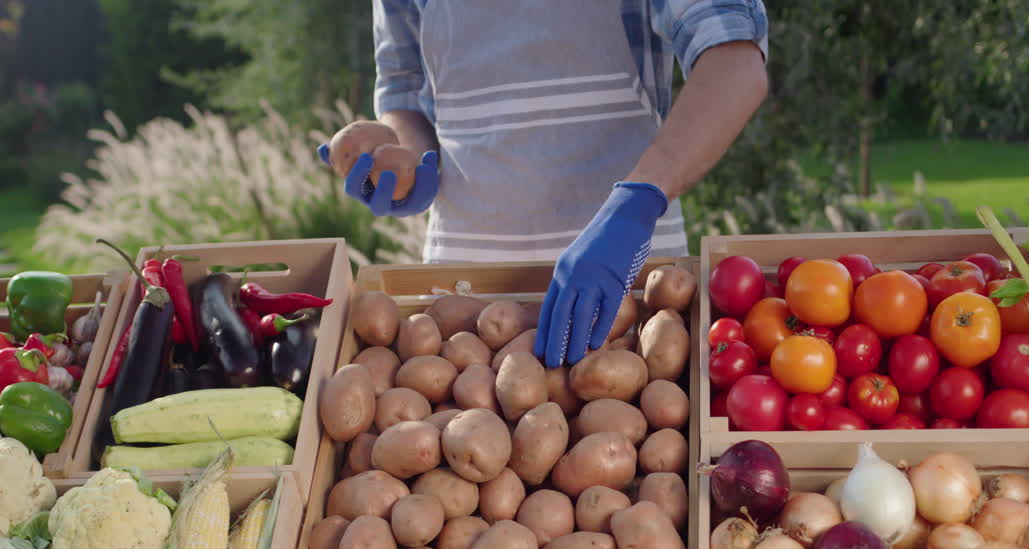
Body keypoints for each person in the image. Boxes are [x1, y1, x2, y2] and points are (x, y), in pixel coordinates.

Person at [320, 1, 769, 367]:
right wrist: (413, 163)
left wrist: (638, 203)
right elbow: (402, 92)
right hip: (464, 297)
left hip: (629, 284)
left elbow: (735, 61)